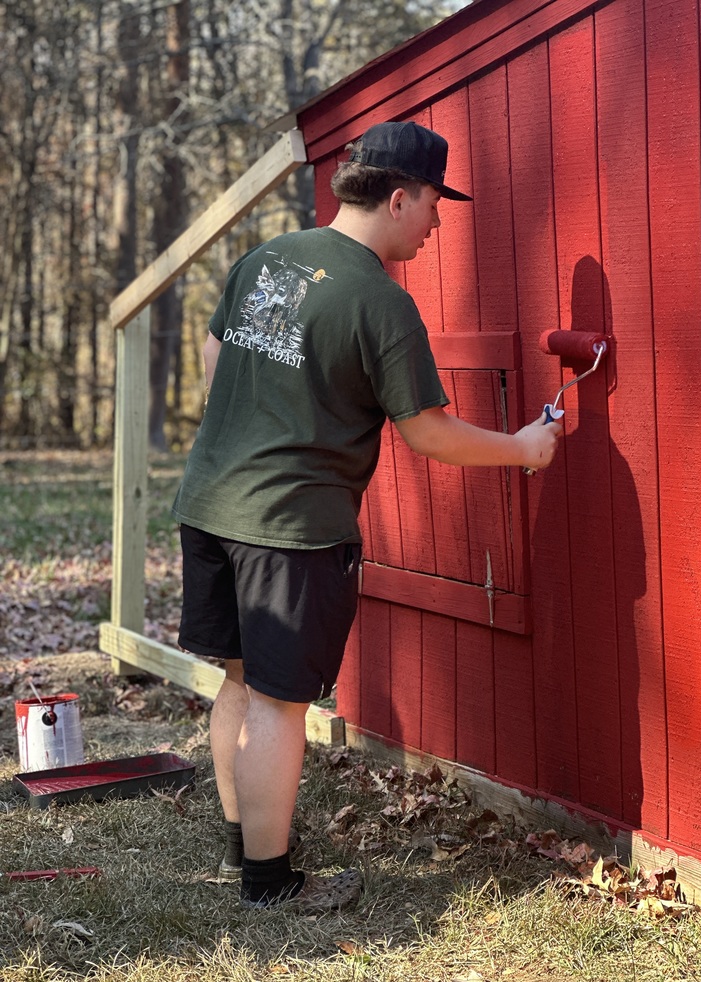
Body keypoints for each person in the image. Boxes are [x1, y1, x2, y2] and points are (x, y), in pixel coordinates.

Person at [172, 120, 562, 912]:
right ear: (398, 198)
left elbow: (215, 354)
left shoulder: (268, 258)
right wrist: (522, 447)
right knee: (280, 703)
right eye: (434, 204)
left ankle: (245, 841)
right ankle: (270, 883)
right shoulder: (380, 301)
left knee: (239, 681)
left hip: (208, 504)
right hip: (289, 530)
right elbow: (428, 432)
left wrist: (256, 419)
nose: (437, 223)